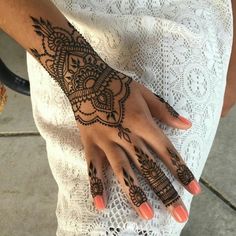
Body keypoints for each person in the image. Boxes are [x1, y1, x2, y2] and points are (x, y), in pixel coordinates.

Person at [0, 0, 235, 235]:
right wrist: (82, 74)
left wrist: (232, 73)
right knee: (109, 216)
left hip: (186, 14)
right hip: (55, 19)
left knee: (147, 204)